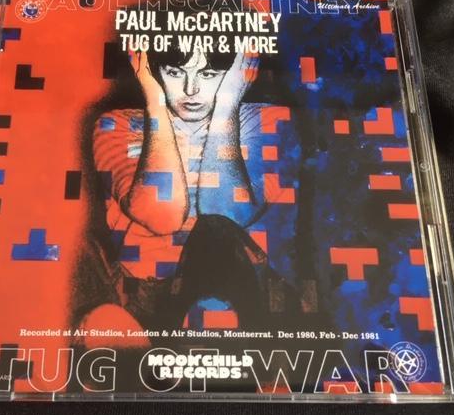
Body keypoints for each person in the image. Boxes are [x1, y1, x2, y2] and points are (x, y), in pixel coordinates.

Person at [80, 38, 301, 343]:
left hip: (242, 292)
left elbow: (225, 215)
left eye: (208, 74)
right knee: (99, 313)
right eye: (175, 72)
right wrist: (156, 104)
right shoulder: (117, 124)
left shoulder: (268, 119)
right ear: (149, 68)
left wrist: (226, 107)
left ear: (239, 70)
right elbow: (162, 215)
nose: (191, 89)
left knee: (214, 232)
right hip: (146, 296)